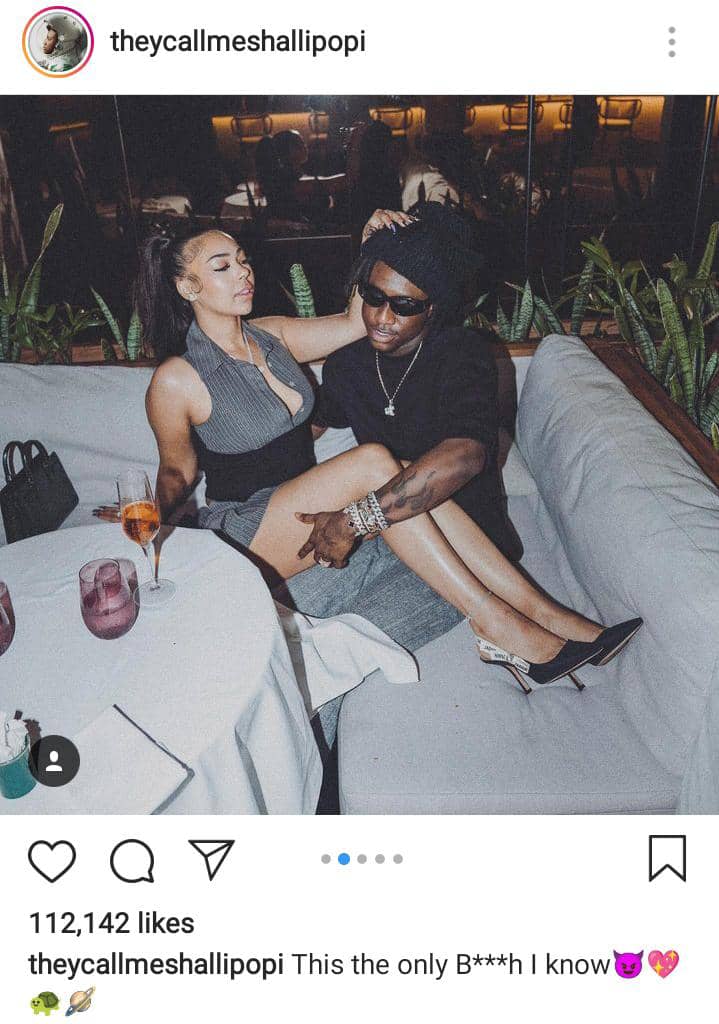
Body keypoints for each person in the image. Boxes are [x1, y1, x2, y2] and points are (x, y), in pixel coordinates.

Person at [137, 212, 640, 701]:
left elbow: (358, 321)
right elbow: (178, 468)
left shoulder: (273, 336)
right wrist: (152, 523)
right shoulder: (177, 378)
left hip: (298, 505)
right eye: (222, 266)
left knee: (404, 479)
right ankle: (497, 624)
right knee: (374, 462)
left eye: (243, 260)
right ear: (187, 287)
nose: (244, 272)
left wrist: (372, 246)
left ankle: (548, 614)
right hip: (245, 528)